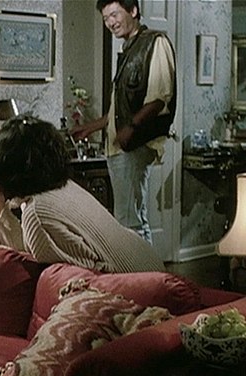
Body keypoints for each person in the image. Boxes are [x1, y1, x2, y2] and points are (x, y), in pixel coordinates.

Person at [0, 114, 164, 274]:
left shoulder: (36, 213)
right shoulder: (65, 187)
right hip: (152, 268)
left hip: (142, 287)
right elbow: (40, 250)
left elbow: (54, 276)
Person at [71, 0, 176, 245]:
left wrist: (131, 128)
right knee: (128, 220)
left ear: (133, 11)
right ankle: (141, 268)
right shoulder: (129, 50)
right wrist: (91, 127)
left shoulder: (155, 43)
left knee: (131, 223)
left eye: (115, 14)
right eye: (106, 18)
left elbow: (160, 98)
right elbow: (120, 110)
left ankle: (141, 270)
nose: (110, 23)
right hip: (119, 147)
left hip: (134, 146)